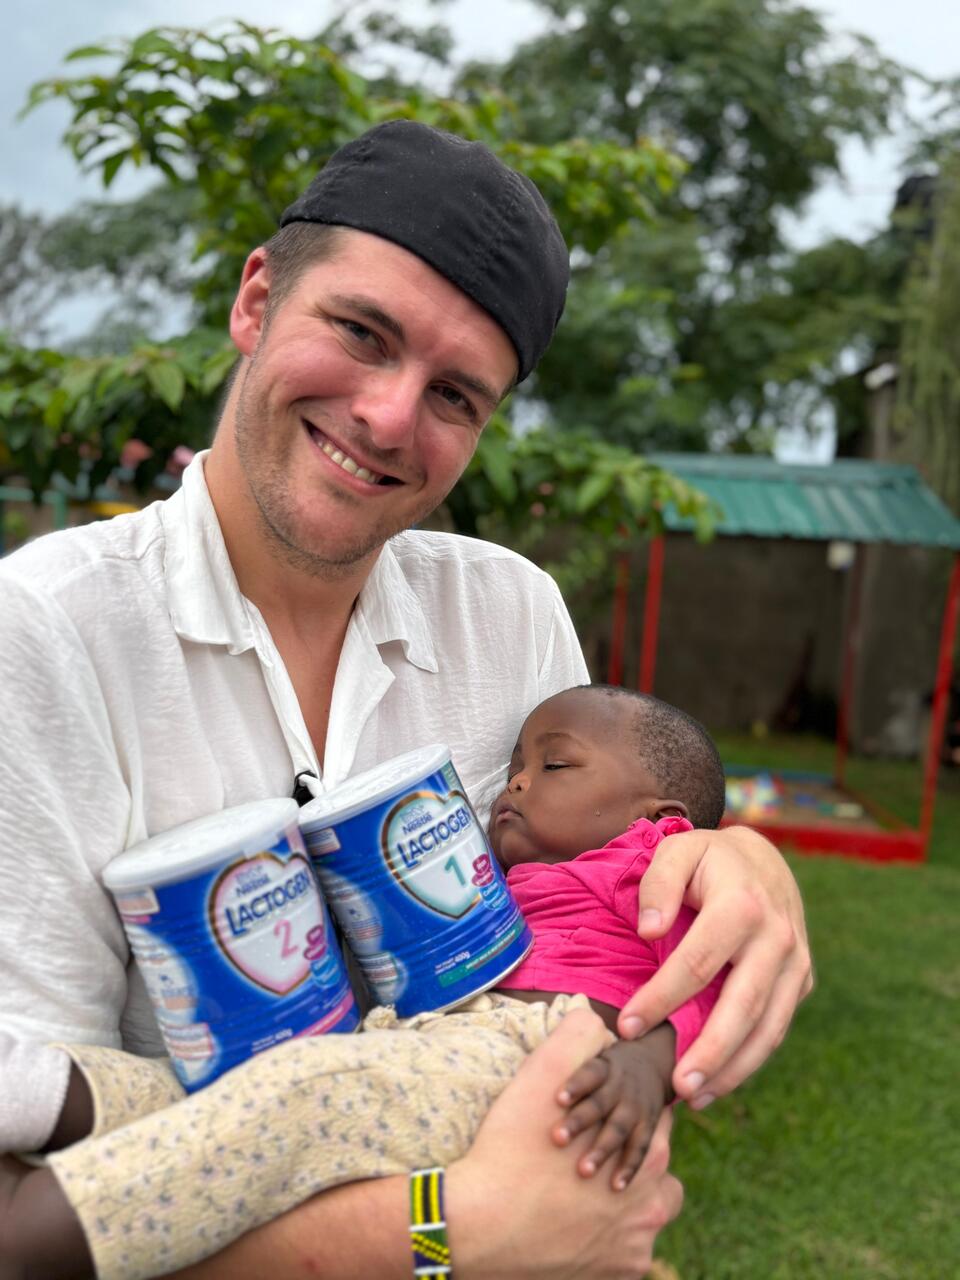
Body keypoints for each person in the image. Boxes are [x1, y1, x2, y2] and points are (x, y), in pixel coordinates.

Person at [0, 119, 812, 1278]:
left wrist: (732, 858)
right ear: (256, 300)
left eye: (456, 395)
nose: (389, 416)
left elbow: (604, 942)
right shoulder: (47, 631)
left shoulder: (511, 615)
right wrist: (445, 1235)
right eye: (361, 332)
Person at [6, 685, 727, 1280]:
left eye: (556, 764)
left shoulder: (655, 863)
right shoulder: (513, 876)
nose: (517, 781)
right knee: (244, 1082)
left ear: (659, 819)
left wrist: (649, 1059)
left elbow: (711, 971)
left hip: (542, 1059)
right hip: (446, 1044)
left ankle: (46, 1239)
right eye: (515, 765)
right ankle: (44, 1092)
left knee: (304, 1095)